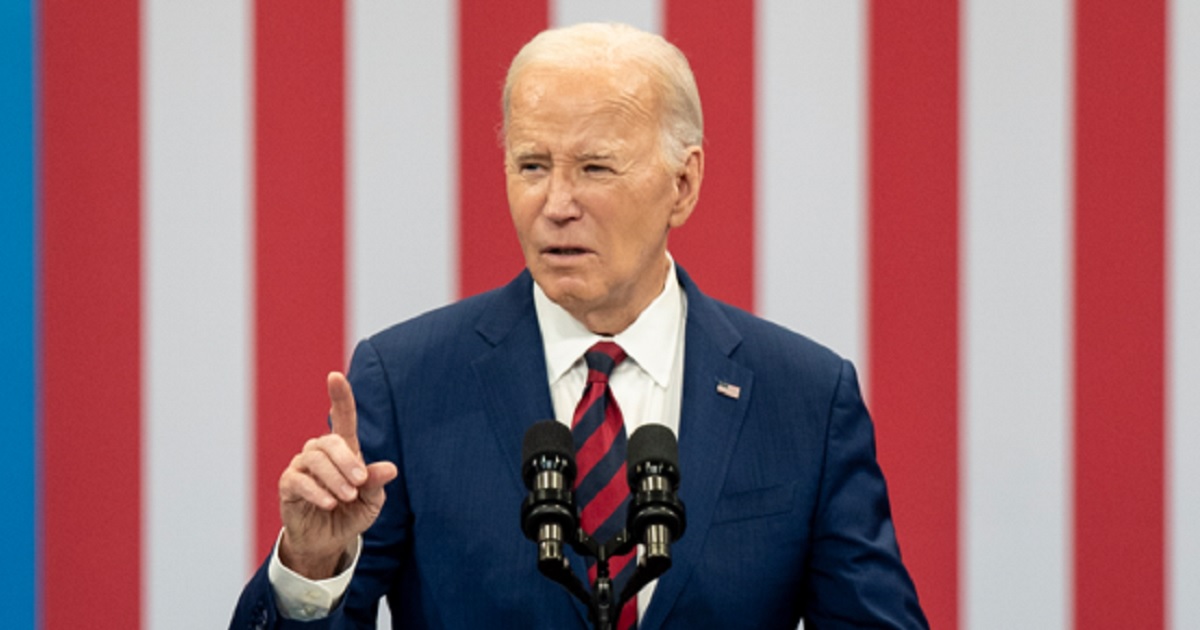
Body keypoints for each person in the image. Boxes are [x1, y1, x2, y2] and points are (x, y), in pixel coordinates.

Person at [231, 22, 927, 630]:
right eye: (532, 165)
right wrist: (311, 566)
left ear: (682, 185)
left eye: (595, 167)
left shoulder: (802, 397)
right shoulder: (408, 382)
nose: (556, 204)